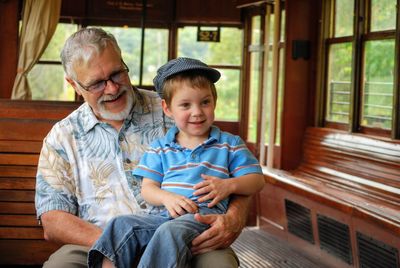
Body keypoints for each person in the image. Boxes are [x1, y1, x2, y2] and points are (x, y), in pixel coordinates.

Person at [34, 27, 256, 268]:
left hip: (189, 237)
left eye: (117, 74)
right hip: (96, 242)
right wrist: (124, 244)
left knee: (219, 265)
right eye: (97, 83)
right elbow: (53, 220)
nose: (111, 88)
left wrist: (233, 219)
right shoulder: (62, 137)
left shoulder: (174, 110)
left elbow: (234, 173)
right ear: (74, 84)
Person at [87, 57, 265, 268]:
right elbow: (148, 189)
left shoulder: (229, 144)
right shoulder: (160, 147)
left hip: (203, 218)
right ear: (168, 108)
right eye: (185, 105)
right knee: (121, 225)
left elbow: (256, 180)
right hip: (164, 216)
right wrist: (166, 198)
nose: (197, 112)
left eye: (205, 102)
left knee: (170, 232)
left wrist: (230, 185)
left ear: (214, 102)